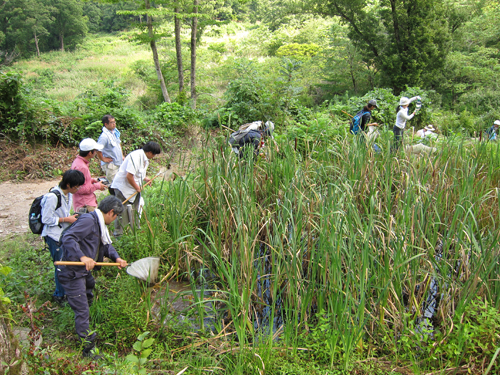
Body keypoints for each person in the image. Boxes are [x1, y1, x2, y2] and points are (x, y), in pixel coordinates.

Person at [57, 196, 127, 358]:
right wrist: (82, 257)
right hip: (72, 272)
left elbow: (106, 244)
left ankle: (83, 321)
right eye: (116, 216)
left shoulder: (99, 223)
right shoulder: (89, 221)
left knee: (89, 291)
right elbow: (68, 237)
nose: (115, 218)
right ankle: (88, 349)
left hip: (83, 272)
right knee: (82, 310)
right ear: (111, 212)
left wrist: (116, 258)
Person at [41, 170, 85, 304]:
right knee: (60, 265)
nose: (78, 189)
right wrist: (66, 219)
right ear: (68, 184)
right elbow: (46, 219)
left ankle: (64, 291)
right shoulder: (52, 197)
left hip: (62, 234)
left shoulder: (67, 195)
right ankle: (59, 295)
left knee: (65, 263)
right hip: (53, 235)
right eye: (76, 186)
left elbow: (64, 213)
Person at [110, 141, 161, 236]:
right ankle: (119, 235)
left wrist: (145, 179)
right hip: (123, 188)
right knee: (121, 211)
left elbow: (137, 174)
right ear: (150, 152)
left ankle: (134, 231)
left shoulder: (145, 159)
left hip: (133, 188)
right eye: (154, 154)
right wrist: (137, 188)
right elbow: (129, 176)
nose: (154, 157)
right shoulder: (136, 157)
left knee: (135, 210)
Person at [71, 138, 108, 213]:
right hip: (85, 204)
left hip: (84, 202)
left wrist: (92, 181)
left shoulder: (78, 162)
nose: (96, 152)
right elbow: (79, 189)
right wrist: (97, 186)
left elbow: (81, 182)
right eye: (95, 150)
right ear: (90, 153)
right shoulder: (82, 167)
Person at [97, 115, 124, 194]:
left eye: (114, 122)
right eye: (111, 122)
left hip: (118, 162)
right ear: (106, 124)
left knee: (120, 184)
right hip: (111, 165)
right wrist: (103, 159)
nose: (114, 124)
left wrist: (121, 155)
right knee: (114, 185)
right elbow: (98, 149)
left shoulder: (114, 133)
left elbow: (118, 144)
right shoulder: (104, 136)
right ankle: (114, 201)